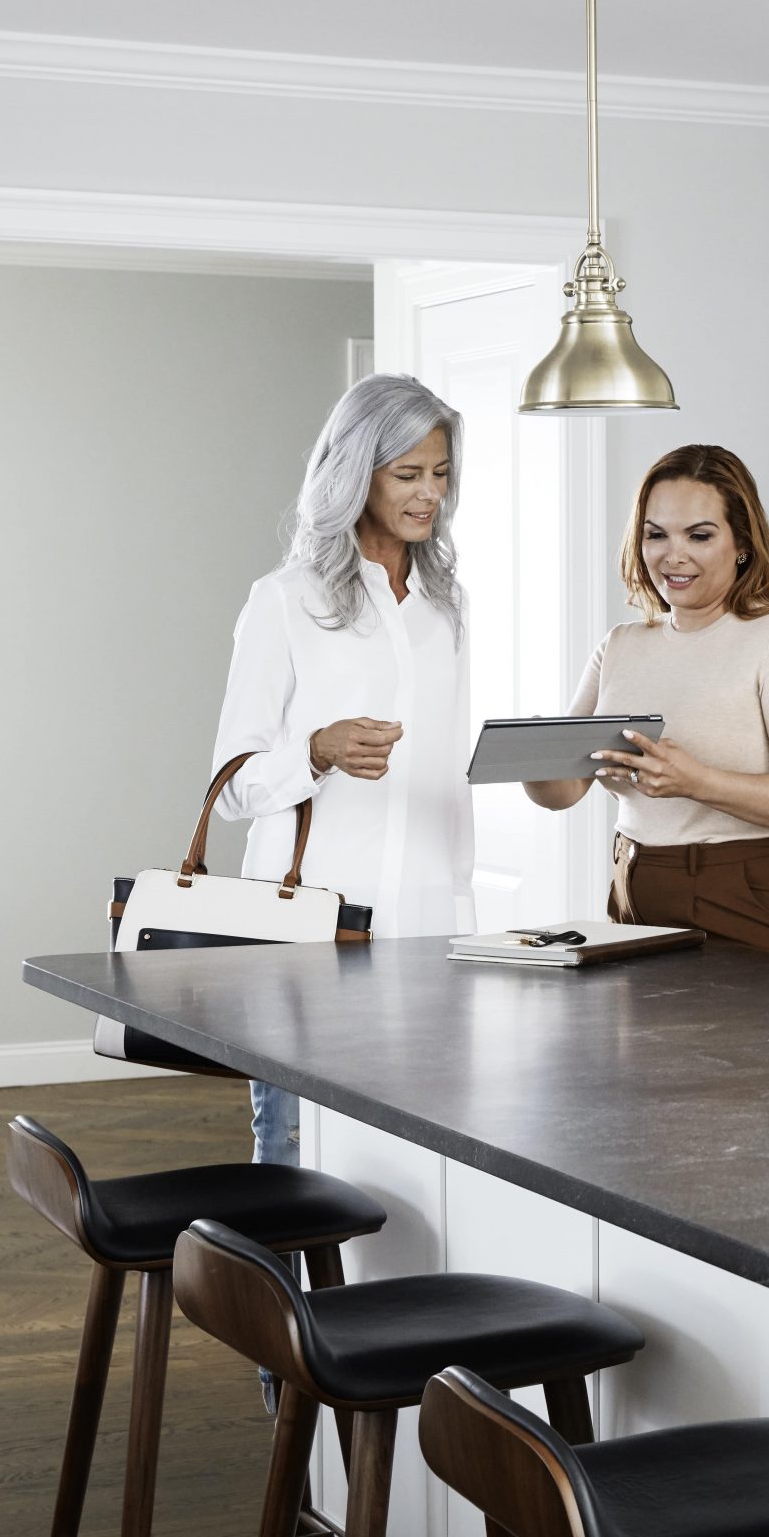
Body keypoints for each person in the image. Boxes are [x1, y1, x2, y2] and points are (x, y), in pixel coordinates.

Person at [211, 374, 476, 1167]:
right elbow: (230, 785)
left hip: (428, 934)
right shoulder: (284, 602)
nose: (429, 495)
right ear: (354, 472)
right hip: (308, 937)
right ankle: (276, 1298)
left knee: (414, 1163)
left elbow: (445, 766)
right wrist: (316, 750)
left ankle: (372, 1299)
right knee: (293, 1152)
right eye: (407, 475)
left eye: (440, 473)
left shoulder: (447, 604)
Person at [527, 446, 769, 963]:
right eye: (656, 534)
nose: (673, 555)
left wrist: (694, 780)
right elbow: (563, 791)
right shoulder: (621, 644)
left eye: (699, 535)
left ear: (741, 542)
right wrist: (532, 755)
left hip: (753, 904)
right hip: (635, 899)